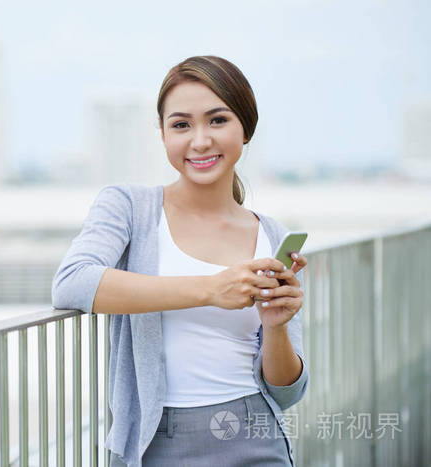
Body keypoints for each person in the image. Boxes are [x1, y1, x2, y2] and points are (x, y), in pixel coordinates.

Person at [51, 55, 309, 467]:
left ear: (246, 129)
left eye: (218, 120)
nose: (200, 140)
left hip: (255, 436)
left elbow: (286, 392)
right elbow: (73, 282)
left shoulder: (272, 234)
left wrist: (275, 327)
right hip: (158, 440)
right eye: (181, 125)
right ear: (164, 135)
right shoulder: (129, 207)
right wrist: (211, 289)